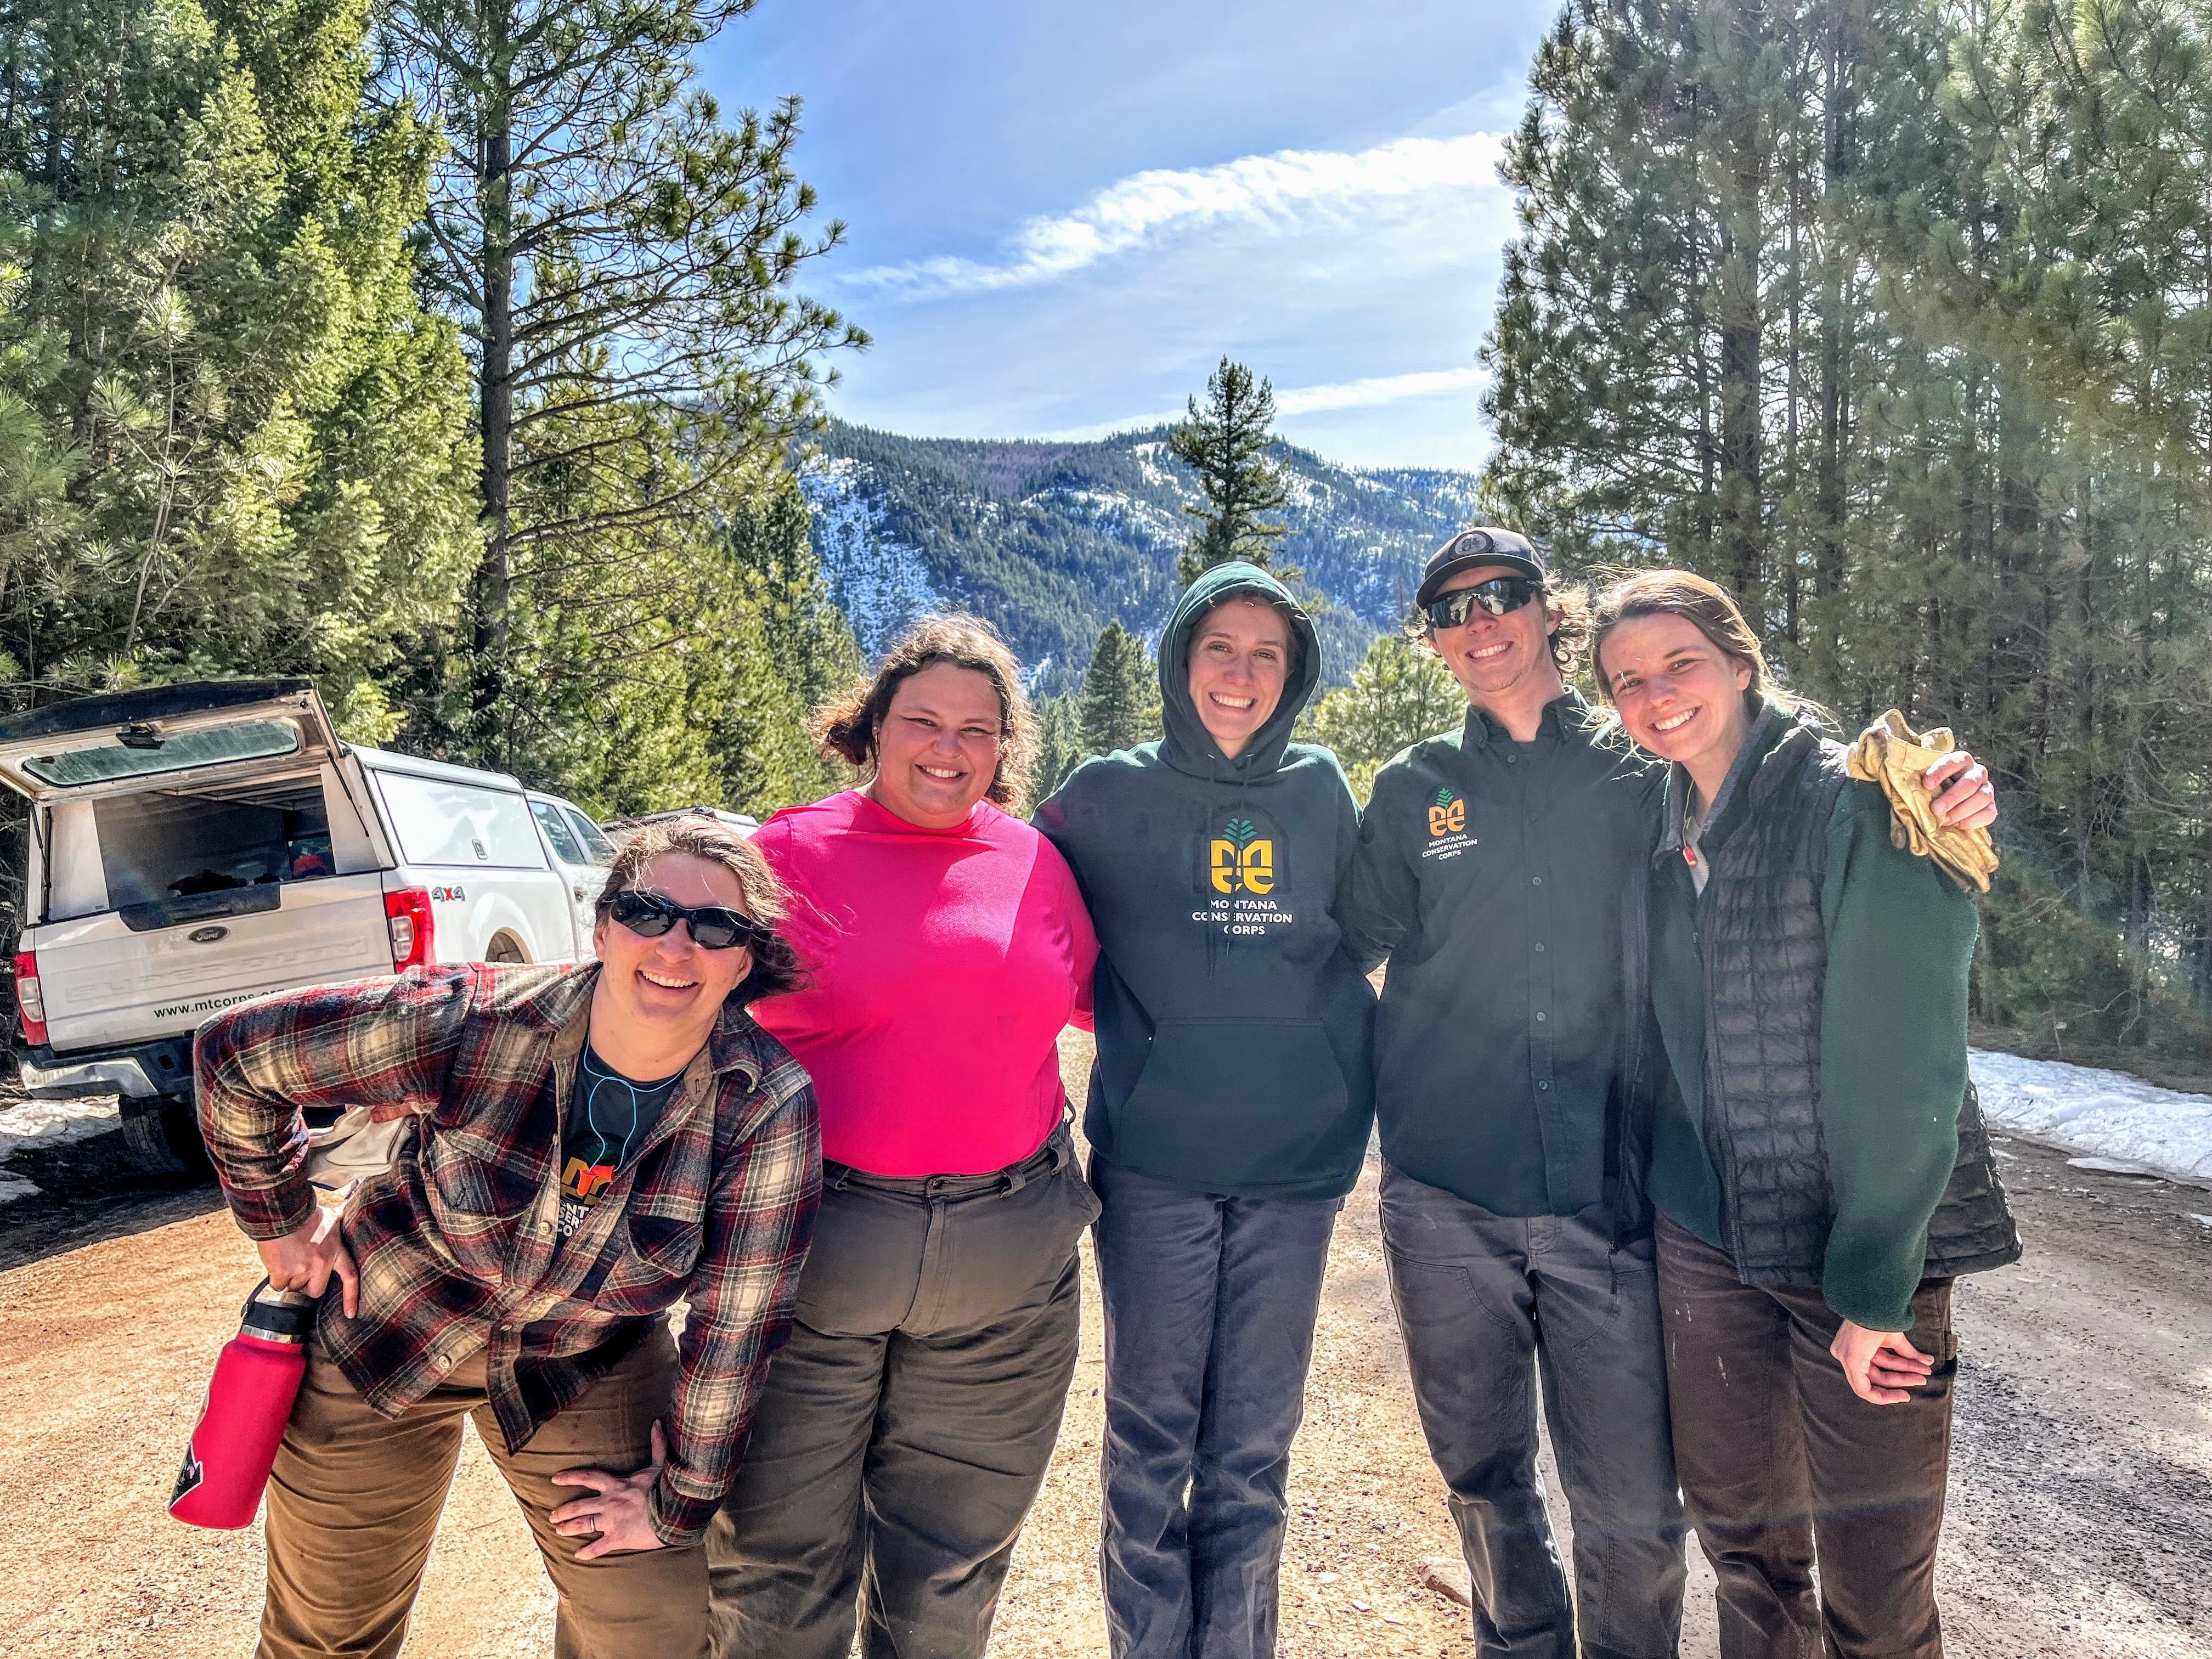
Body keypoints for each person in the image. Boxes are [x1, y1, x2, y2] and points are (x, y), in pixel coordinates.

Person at [1339, 528, 1999, 1659]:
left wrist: (1938, 791)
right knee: (1580, 1507)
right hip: (1529, 1207)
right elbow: (1336, 949)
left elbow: (1898, 1029)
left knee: (1693, 1524)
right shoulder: (1432, 791)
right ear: (1434, 642)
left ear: (1552, 613)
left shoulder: (1675, 777)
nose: (1480, 620)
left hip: (1635, 1207)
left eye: (1502, 595)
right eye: (1451, 608)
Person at [194, 817, 819, 1659]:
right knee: (329, 1637)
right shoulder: (472, 1021)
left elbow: (738, 1327)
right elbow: (236, 1058)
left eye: (715, 929)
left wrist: (678, 1500)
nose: (676, 946)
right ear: (601, 928)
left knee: (653, 1635)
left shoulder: (767, 1103)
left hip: (581, 1363)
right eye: (646, 913)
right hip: (386, 1326)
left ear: (743, 962)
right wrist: (283, 1226)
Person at [1592, 569, 2019, 1657]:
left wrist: (1874, 1288)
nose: (1656, 694)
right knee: (1747, 1562)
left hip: (1864, 1258)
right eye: (1627, 680)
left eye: (1680, 663)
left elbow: (1908, 1065)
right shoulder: (1650, 818)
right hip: (1706, 1239)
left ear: (1742, 665)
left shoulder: (1862, 809)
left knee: (1878, 1605)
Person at [707, 614, 1102, 1659]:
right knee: (779, 1563)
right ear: (872, 728)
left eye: (978, 728)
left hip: (1005, 1270)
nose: (947, 746)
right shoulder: (783, 856)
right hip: (814, 1251)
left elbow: (1112, 1004)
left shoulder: (1035, 863)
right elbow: (667, 1014)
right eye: (922, 719)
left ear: (1006, 747)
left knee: (950, 1573)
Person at [1035, 563, 1375, 1659]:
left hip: (1297, 1169)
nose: (1241, 674)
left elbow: (1363, 933)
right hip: (1157, 1167)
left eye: (1267, 653)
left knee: (1253, 1450)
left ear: (1296, 672)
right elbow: (1011, 891)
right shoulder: (1103, 793)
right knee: (1148, 1444)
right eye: (1219, 648)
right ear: (1182, 660)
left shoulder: (1323, 789)